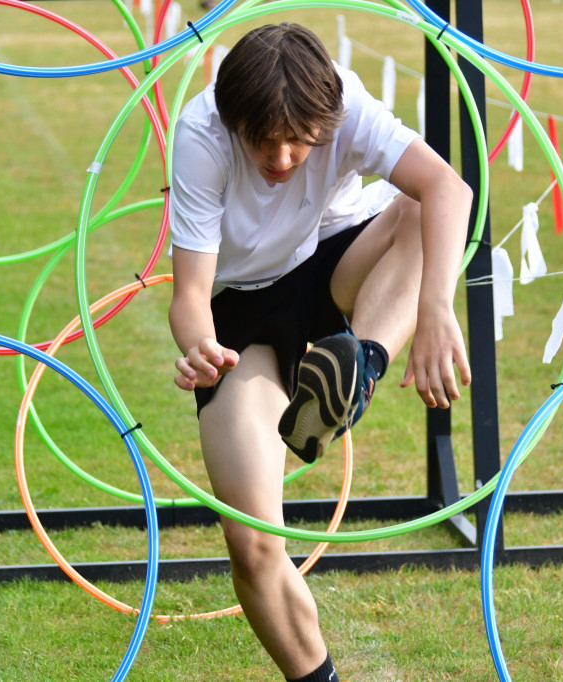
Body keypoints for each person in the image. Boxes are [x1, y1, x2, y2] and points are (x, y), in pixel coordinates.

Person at [167, 23, 473, 681]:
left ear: (325, 119)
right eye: (263, 141)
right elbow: (189, 293)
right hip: (239, 317)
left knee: (418, 208)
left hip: (334, 264)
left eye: (298, 140)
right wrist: (198, 346)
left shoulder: (342, 103)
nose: (281, 157)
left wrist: (436, 308)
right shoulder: (201, 133)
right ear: (233, 123)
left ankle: (357, 366)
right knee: (252, 544)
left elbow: (449, 188)